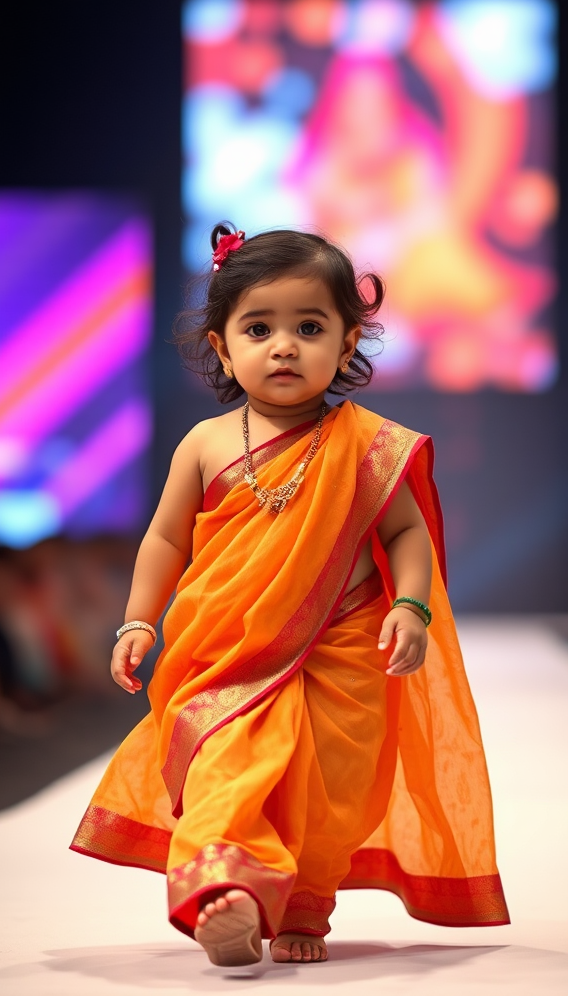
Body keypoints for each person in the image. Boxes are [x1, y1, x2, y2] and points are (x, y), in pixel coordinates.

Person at [71, 225, 509, 967]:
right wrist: (137, 620)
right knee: (226, 761)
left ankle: (306, 902)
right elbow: (165, 541)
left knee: (328, 787)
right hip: (230, 654)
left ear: (346, 346)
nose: (284, 345)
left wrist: (411, 605)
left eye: (309, 328)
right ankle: (224, 891)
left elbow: (407, 536)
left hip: (340, 647)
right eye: (259, 327)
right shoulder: (205, 444)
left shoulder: (366, 443)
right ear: (221, 347)